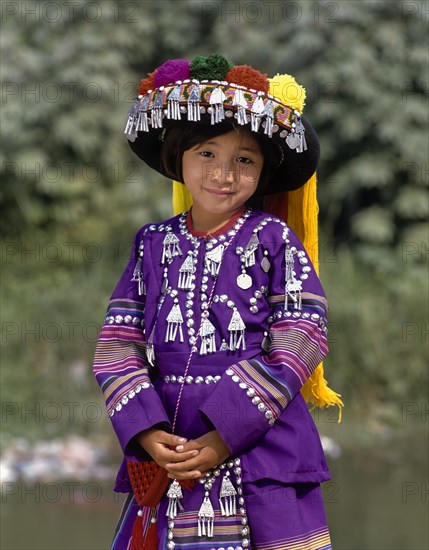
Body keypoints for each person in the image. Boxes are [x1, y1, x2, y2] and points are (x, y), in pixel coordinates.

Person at [93, 54, 343, 550]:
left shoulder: (274, 239)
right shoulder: (153, 244)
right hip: (168, 451)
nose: (223, 174)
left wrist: (225, 434)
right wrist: (146, 432)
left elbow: (302, 335)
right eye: (207, 154)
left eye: (244, 160)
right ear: (176, 157)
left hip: (260, 453)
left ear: (264, 171)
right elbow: (117, 343)